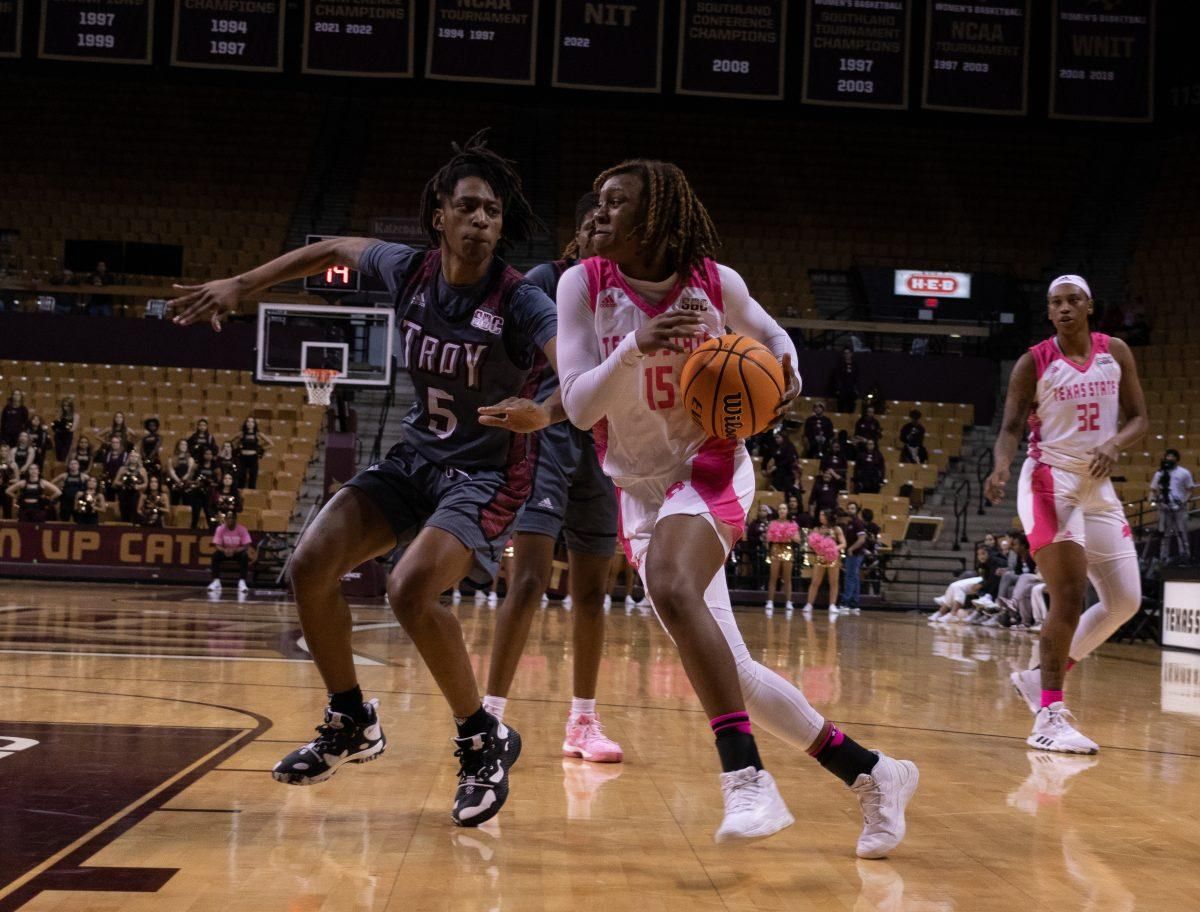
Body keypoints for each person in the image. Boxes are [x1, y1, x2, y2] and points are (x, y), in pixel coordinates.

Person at [172, 132, 558, 828]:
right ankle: (351, 718)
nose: (481, 222)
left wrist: (550, 407)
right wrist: (241, 285)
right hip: (418, 458)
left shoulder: (520, 300)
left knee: (411, 589)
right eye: (468, 207)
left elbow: (577, 369)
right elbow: (328, 248)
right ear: (438, 215)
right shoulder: (407, 269)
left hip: (486, 471)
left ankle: (480, 742)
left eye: (492, 213)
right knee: (308, 565)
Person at [557, 157, 916, 852]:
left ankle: (746, 779)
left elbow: (776, 339)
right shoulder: (583, 284)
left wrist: (783, 375)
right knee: (734, 670)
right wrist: (636, 346)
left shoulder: (714, 284)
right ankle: (874, 774)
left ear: (656, 217)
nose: (598, 214)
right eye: (596, 202)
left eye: (616, 202)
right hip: (638, 490)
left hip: (711, 466)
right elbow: (576, 405)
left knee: (669, 582)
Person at [481, 191, 625, 765]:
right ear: (578, 234)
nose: (598, 226)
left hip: (605, 443)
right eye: (589, 219)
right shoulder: (545, 279)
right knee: (531, 578)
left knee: (593, 589)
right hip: (546, 434)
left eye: (608, 221)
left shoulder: (631, 295)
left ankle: (583, 722)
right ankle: (487, 715)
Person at [985, 274, 1148, 754]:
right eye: (1056, 303)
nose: (1064, 308)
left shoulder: (1114, 351)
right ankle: (1048, 717)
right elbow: (1011, 426)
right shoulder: (1032, 362)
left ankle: (1038, 680)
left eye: (1073, 300)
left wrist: (1116, 444)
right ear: (1049, 311)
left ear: (1090, 306)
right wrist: (998, 468)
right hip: (1048, 481)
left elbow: (1140, 417)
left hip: (1097, 483)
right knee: (1070, 594)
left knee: (1124, 601)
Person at [1149, 448, 1194, 561]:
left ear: (1176, 459)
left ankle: (1185, 556)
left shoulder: (1184, 472)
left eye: (1172, 456)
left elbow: (1190, 490)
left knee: (1182, 533)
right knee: (1165, 534)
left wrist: (1183, 502)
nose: (1169, 458)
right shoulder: (1159, 473)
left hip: (1180, 508)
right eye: (1167, 456)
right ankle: (1163, 557)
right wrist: (1155, 500)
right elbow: (1153, 489)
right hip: (1164, 508)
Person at [803, 509, 846, 614]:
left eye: (822, 514)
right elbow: (811, 544)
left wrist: (833, 549)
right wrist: (816, 548)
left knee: (834, 582)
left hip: (833, 558)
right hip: (820, 557)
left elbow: (843, 543)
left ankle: (832, 605)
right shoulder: (817, 529)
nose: (820, 516)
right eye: (820, 514)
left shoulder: (836, 529)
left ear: (828, 516)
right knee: (815, 582)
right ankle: (809, 604)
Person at [764, 502, 801, 613]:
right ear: (778, 511)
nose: (782, 510)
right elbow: (767, 540)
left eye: (784, 508)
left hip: (787, 550)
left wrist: (789, 535)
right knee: (773, 577)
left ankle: (789, 602)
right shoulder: (772, 523)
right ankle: (770, 601)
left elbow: (798, 540)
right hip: (775, 549)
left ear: (787, 511)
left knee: (787, 578)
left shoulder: (792, 523)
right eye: (780, 508)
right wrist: (773, 536)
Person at [209, 510, 253, 594]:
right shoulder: (220, 529)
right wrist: (224, 550)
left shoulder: (242, 529)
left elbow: (246, 545)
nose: (230, 520)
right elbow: (217, 545)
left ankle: (242, 581)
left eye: (232, 518)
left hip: (237, 552)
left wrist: (235, 550)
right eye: (228, 518)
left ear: (235, 519)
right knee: (215, 555)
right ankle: (216, 581)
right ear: (225, 519)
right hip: (225, 551)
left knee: (245, 556)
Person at [841, 502, 868, 612]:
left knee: (850, 577)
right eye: (849, 508)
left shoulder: (857, 523)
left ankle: (845, 603)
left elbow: (862, 539)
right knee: (855, 578)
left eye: (852, 508)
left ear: (856, 510)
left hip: (855, 554)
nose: (850, 510)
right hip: (854, 554)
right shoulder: (850, 523)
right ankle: (855, 604)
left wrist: (851, 549)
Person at [236, 416, 273, 489]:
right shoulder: (242, 434)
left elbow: (271, 444)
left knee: (252, 478)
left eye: (252, 422)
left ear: (254, 424)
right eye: (248, 421)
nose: (250, 423)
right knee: (241, 477)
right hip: (242, 458)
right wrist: (238, 448)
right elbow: (232, 442)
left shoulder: (258, 434)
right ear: (246, 423)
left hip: (253, 458)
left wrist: (260, 448)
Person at [762, 429, 800, 494]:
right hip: (777, 469)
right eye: (775, 438)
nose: (776, 439)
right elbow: (767, 457)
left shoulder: (789, 446)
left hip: (788, 468)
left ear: (783, 438)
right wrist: (763, 468)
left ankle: (780, 489)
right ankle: (776, 488)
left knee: (783, 474)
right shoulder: (774, 446)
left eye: (778, 437)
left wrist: (776, 466)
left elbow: (790, 459)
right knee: (778, 472)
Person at [114, 452, 149, 523]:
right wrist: (124, 484)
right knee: (124, 511)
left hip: (135, 493)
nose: (133, 458)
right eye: (132, 456)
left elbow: (146, 483)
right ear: (129, 458)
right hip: (124, 493)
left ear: (138, 459)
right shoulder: (122, 469)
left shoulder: (142, 470)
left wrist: (138, 486)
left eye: (136, 457)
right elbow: (116, 482)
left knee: (134, 511)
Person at [189, 449, 219, 528]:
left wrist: (210, 483)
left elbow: (218, 482)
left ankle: (212, 533)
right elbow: (191, 479)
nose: (208, 456)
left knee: (209, 514)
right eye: (206, 453)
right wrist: (197, 483)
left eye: (210, 454)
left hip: (209, 494)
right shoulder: (197, 466)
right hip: (197, 493)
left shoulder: (216, 467)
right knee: (195, 515)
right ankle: (193, 532)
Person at [53, 458, 88, 522]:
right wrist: (58, 487)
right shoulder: (64, 475)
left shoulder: (84, 476)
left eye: (75, 463)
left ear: (78, 466)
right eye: (71, 464)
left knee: (79, 521)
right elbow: (51, 483)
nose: (73, 465)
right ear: (68, 466)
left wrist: (84, 493)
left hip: (78, 502)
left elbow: (93, 486)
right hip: (65, 502)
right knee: (64, 521)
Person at [165, 438, 195, 506]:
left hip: (186, 483)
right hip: (175, 483)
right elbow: (171, 470)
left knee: (187, 503)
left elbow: (190, 471)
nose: (184, 446)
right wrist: (178, 480)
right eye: (182, 444)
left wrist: (183, 480)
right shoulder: (172, 458)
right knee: (174, 503)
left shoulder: (190, 458)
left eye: (185, 444)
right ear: (178, 446)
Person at [830, 347, 859, 414]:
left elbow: (857, 378)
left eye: (848, 353)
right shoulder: (840, 365)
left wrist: (856, 389)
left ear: (851, 354)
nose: (847, 355)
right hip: (842, 390)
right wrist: (838, 388)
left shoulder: (855, 365)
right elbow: (837, 377)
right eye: (845, 353)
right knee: (841, 407)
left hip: (852, 390)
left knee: (851, 408)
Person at [52, 395, 79, 462]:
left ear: (71, 406)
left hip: (67, 436)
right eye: (64, 406)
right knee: (58, 454)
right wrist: (64, 426)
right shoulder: (59, 414)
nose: (65, 408)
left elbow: (73, 428)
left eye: (67, 406)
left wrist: (63, 426)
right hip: (58, 435)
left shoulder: (75, 415)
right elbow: (55, 425)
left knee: (65, 455)